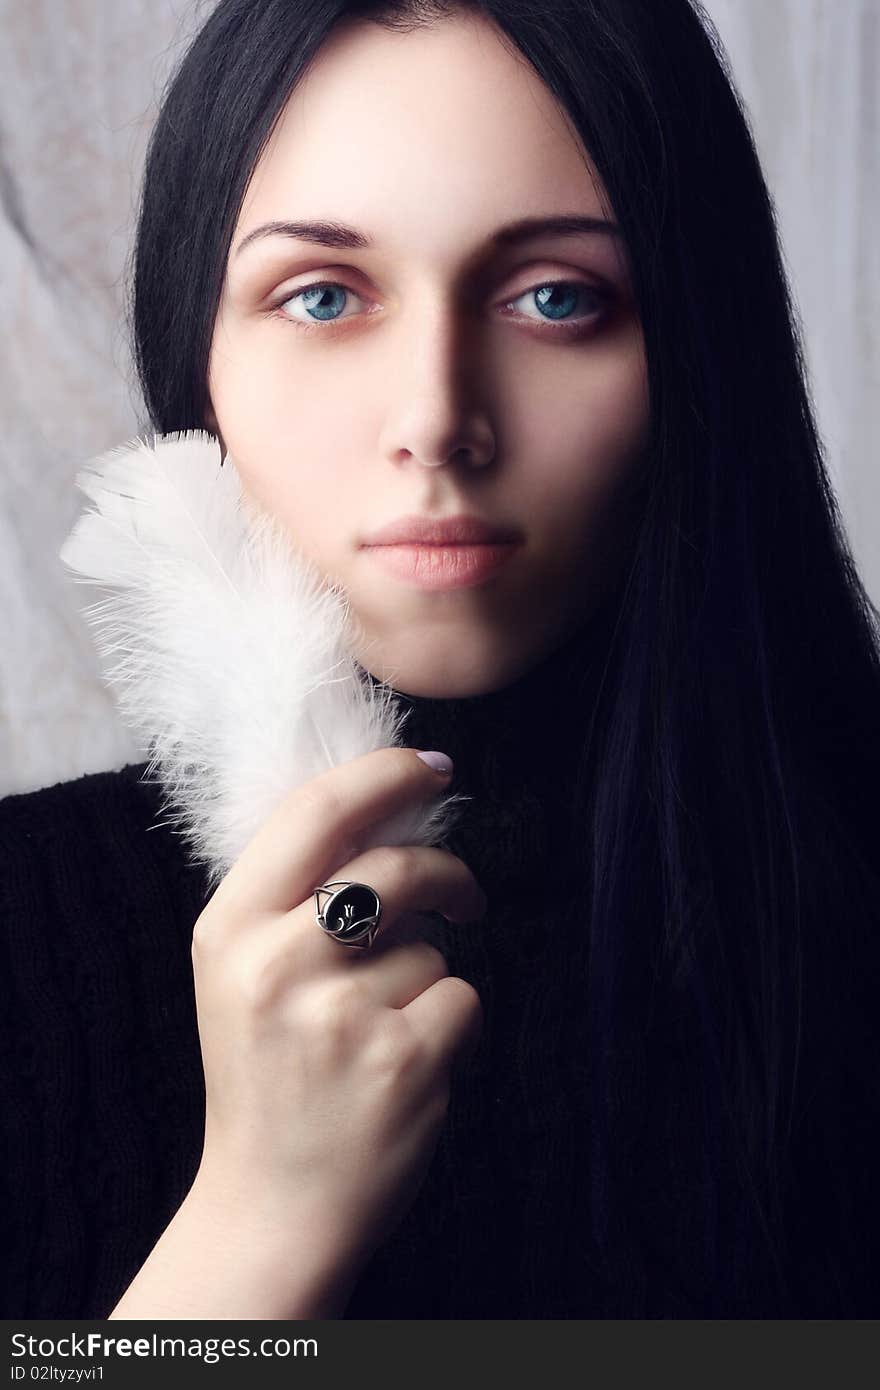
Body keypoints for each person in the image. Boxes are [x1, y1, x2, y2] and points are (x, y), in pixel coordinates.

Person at [2, 0, 879, 1320]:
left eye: (555, 297)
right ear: (199, 355)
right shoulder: (25, 935)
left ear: (698, 347)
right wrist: (260, 1217)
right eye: (322, 295)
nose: (435, 418)